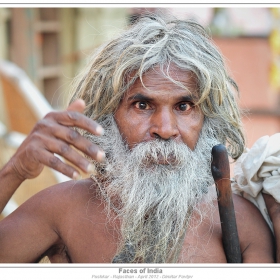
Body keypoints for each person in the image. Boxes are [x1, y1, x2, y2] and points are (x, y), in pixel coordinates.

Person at [0, 14, 277, 263]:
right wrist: (15, 170)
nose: (165, 129)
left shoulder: (241, 223)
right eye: (142, 106)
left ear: (207, 120)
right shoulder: (63, 210)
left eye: (184, 106)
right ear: (107, 116)